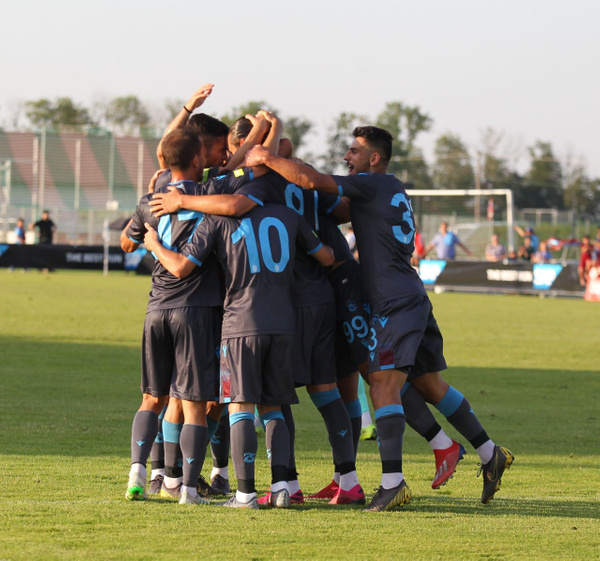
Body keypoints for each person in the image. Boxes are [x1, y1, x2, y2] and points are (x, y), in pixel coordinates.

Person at [246, 125, 514, 510]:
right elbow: (326, 199)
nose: (346, 157)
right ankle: (490, 453)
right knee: (430, 386)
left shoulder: (370, 184)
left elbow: (314, 180)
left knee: (382, 386)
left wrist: (268, 158)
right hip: (411, 296)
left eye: (354, 151)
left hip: (393, 303)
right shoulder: (389, 188)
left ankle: (393, 483)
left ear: (374, 158)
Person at [144, 187, 335, 510]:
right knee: (274, 407)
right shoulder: (290, 216)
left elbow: (180, 267)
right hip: (285, 323)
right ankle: (281, 488)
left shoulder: (218, 220)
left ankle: (245, 494)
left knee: (240, 407)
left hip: (241, 325)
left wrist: (153, 245)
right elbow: (327, 257)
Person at [121, 128, 224, 505]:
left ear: (164, 162)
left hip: (155, 309)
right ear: (199, 160)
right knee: (195, 404)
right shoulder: (212, 199)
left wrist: (148, 239)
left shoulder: (150, 200)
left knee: (152, 397)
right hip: (195, 311)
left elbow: (126, 242)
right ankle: (189, 491)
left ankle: (138, 474)